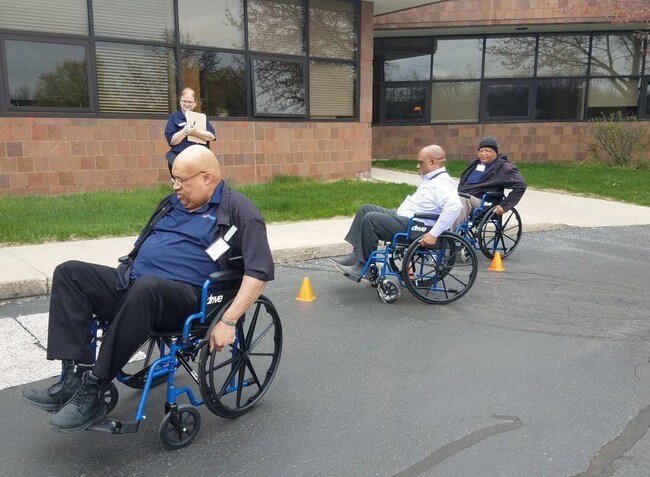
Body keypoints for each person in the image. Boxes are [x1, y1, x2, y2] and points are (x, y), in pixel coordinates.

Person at [22, 145, 274, 433]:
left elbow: (259, 271)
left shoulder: (240, 211)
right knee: (70, 272)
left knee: (147, 288)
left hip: (184, 299)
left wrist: (229, 320)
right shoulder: (171, 203)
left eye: (182, 180)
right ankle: (73, 378)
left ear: (206, 178)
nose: (175, 186)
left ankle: (94, 391)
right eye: (173, 179)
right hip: (134, 284)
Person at [332, 145, 462, 280]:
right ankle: (356, 254)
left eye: (420, 162)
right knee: (365, 209)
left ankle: (363, 266)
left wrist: (433, 234)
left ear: (433, 162)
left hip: (417, 228)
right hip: (406, 219)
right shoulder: (432, 179)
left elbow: (454, 207)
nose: (417, 166)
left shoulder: (443, 183)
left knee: (372, 219)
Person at [452, 136, 527, 231]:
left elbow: (521, 186)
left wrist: (505, 205)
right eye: (481, 151)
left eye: (487, 150)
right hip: (463, 196)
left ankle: (450, 235)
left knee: (461, 200)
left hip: (485, 202)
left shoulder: (505, 168)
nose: (483, 153)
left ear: (495, 152)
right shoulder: (475, 164)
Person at [164, 87, 216, 173]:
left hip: (200, 159)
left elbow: (211, 136)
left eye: (190, 102)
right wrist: (184, 132)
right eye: (184, 101)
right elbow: (172, 141)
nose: (187, 104)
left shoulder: (201, 118)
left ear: (195, 103)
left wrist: (195, 132)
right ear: (180, 101)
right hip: (180, 159)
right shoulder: (174, 118)